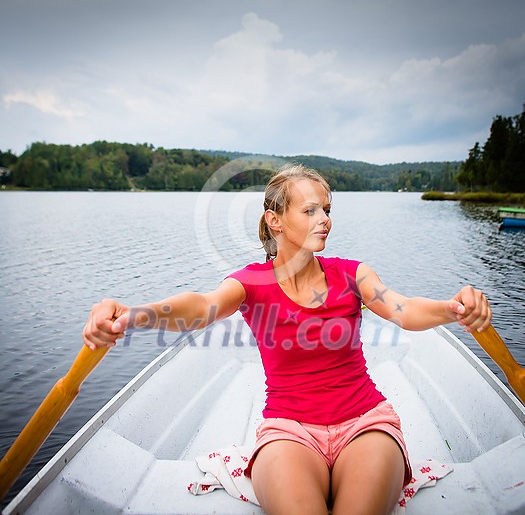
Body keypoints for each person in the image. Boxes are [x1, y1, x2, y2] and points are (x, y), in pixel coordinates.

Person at [82, 165, 491, 515]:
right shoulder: (251, 282)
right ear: (276, 220)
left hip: (365, 423)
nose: (324, 219)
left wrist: (452, 309)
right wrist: (134, 315)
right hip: (288, 430)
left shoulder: (353, 274)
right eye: (310, 210)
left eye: (326, 210)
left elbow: (403, 309)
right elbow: (201, 307)